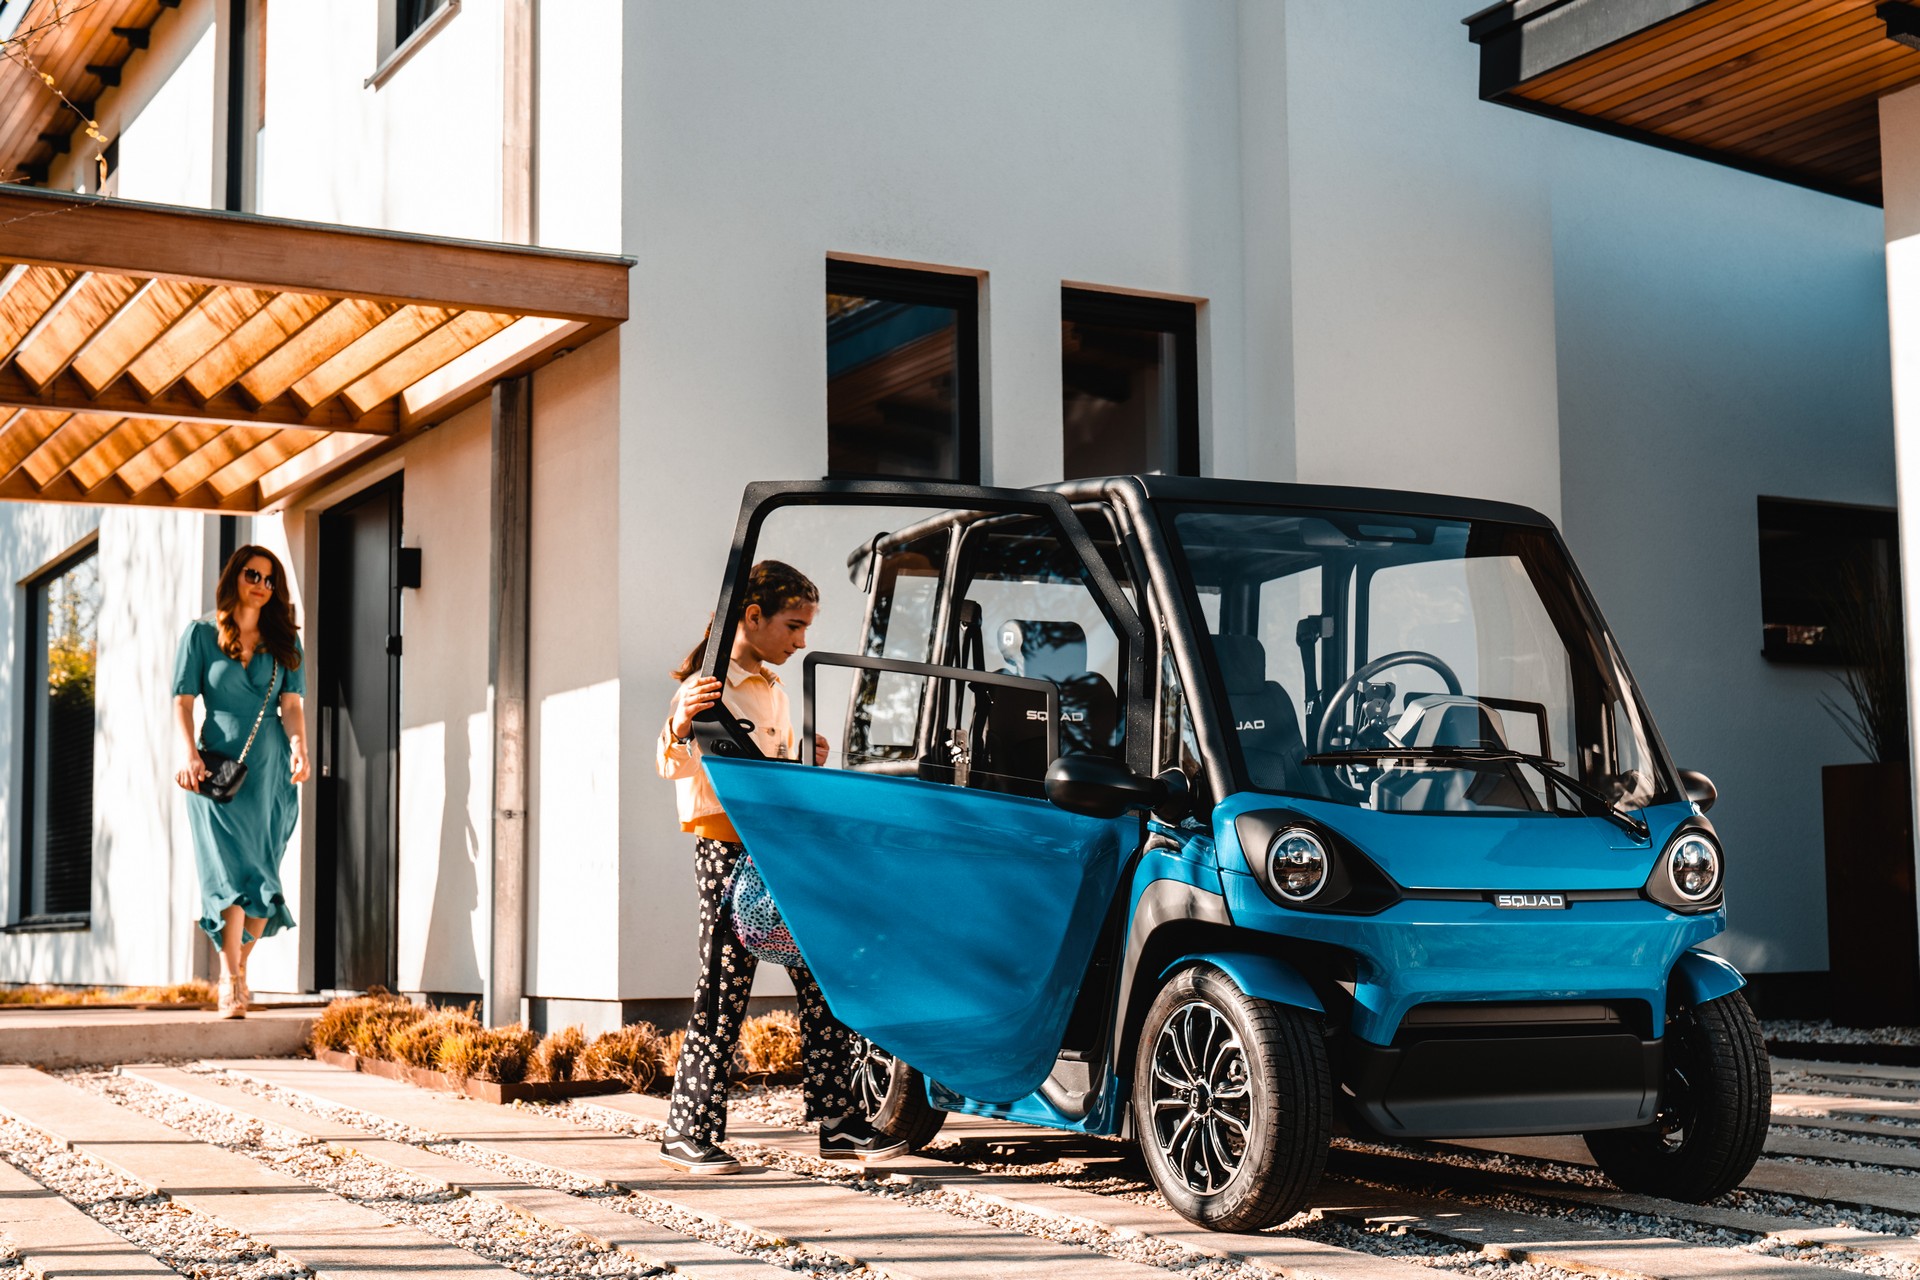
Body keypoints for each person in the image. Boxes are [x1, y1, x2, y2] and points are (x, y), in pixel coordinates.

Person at [655, 559, 906, 1174]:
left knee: (820, 980)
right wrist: (681, 719)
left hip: (782, 847)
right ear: (752, 616)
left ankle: (836, 1121)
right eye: (794, 626)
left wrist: (801, 759)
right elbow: (672, 763)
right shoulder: (707, 684)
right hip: (725, 850)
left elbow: (767, 774)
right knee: (722, 985)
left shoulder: (774, 689)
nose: (801, 641)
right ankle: (687, 1130)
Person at [171, 545, 309, 1019]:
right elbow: (183, 701)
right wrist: (188, 753)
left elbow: (291, 705)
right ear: (235, 576)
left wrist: (299, 747)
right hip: (213, 771)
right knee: (226, 878)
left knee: (261, 884)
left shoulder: (285, 642)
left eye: (270, 580)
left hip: (269, 772)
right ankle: (231, 982)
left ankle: (237, 966)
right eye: (253, 574)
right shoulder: (201, 635)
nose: (261, 585)